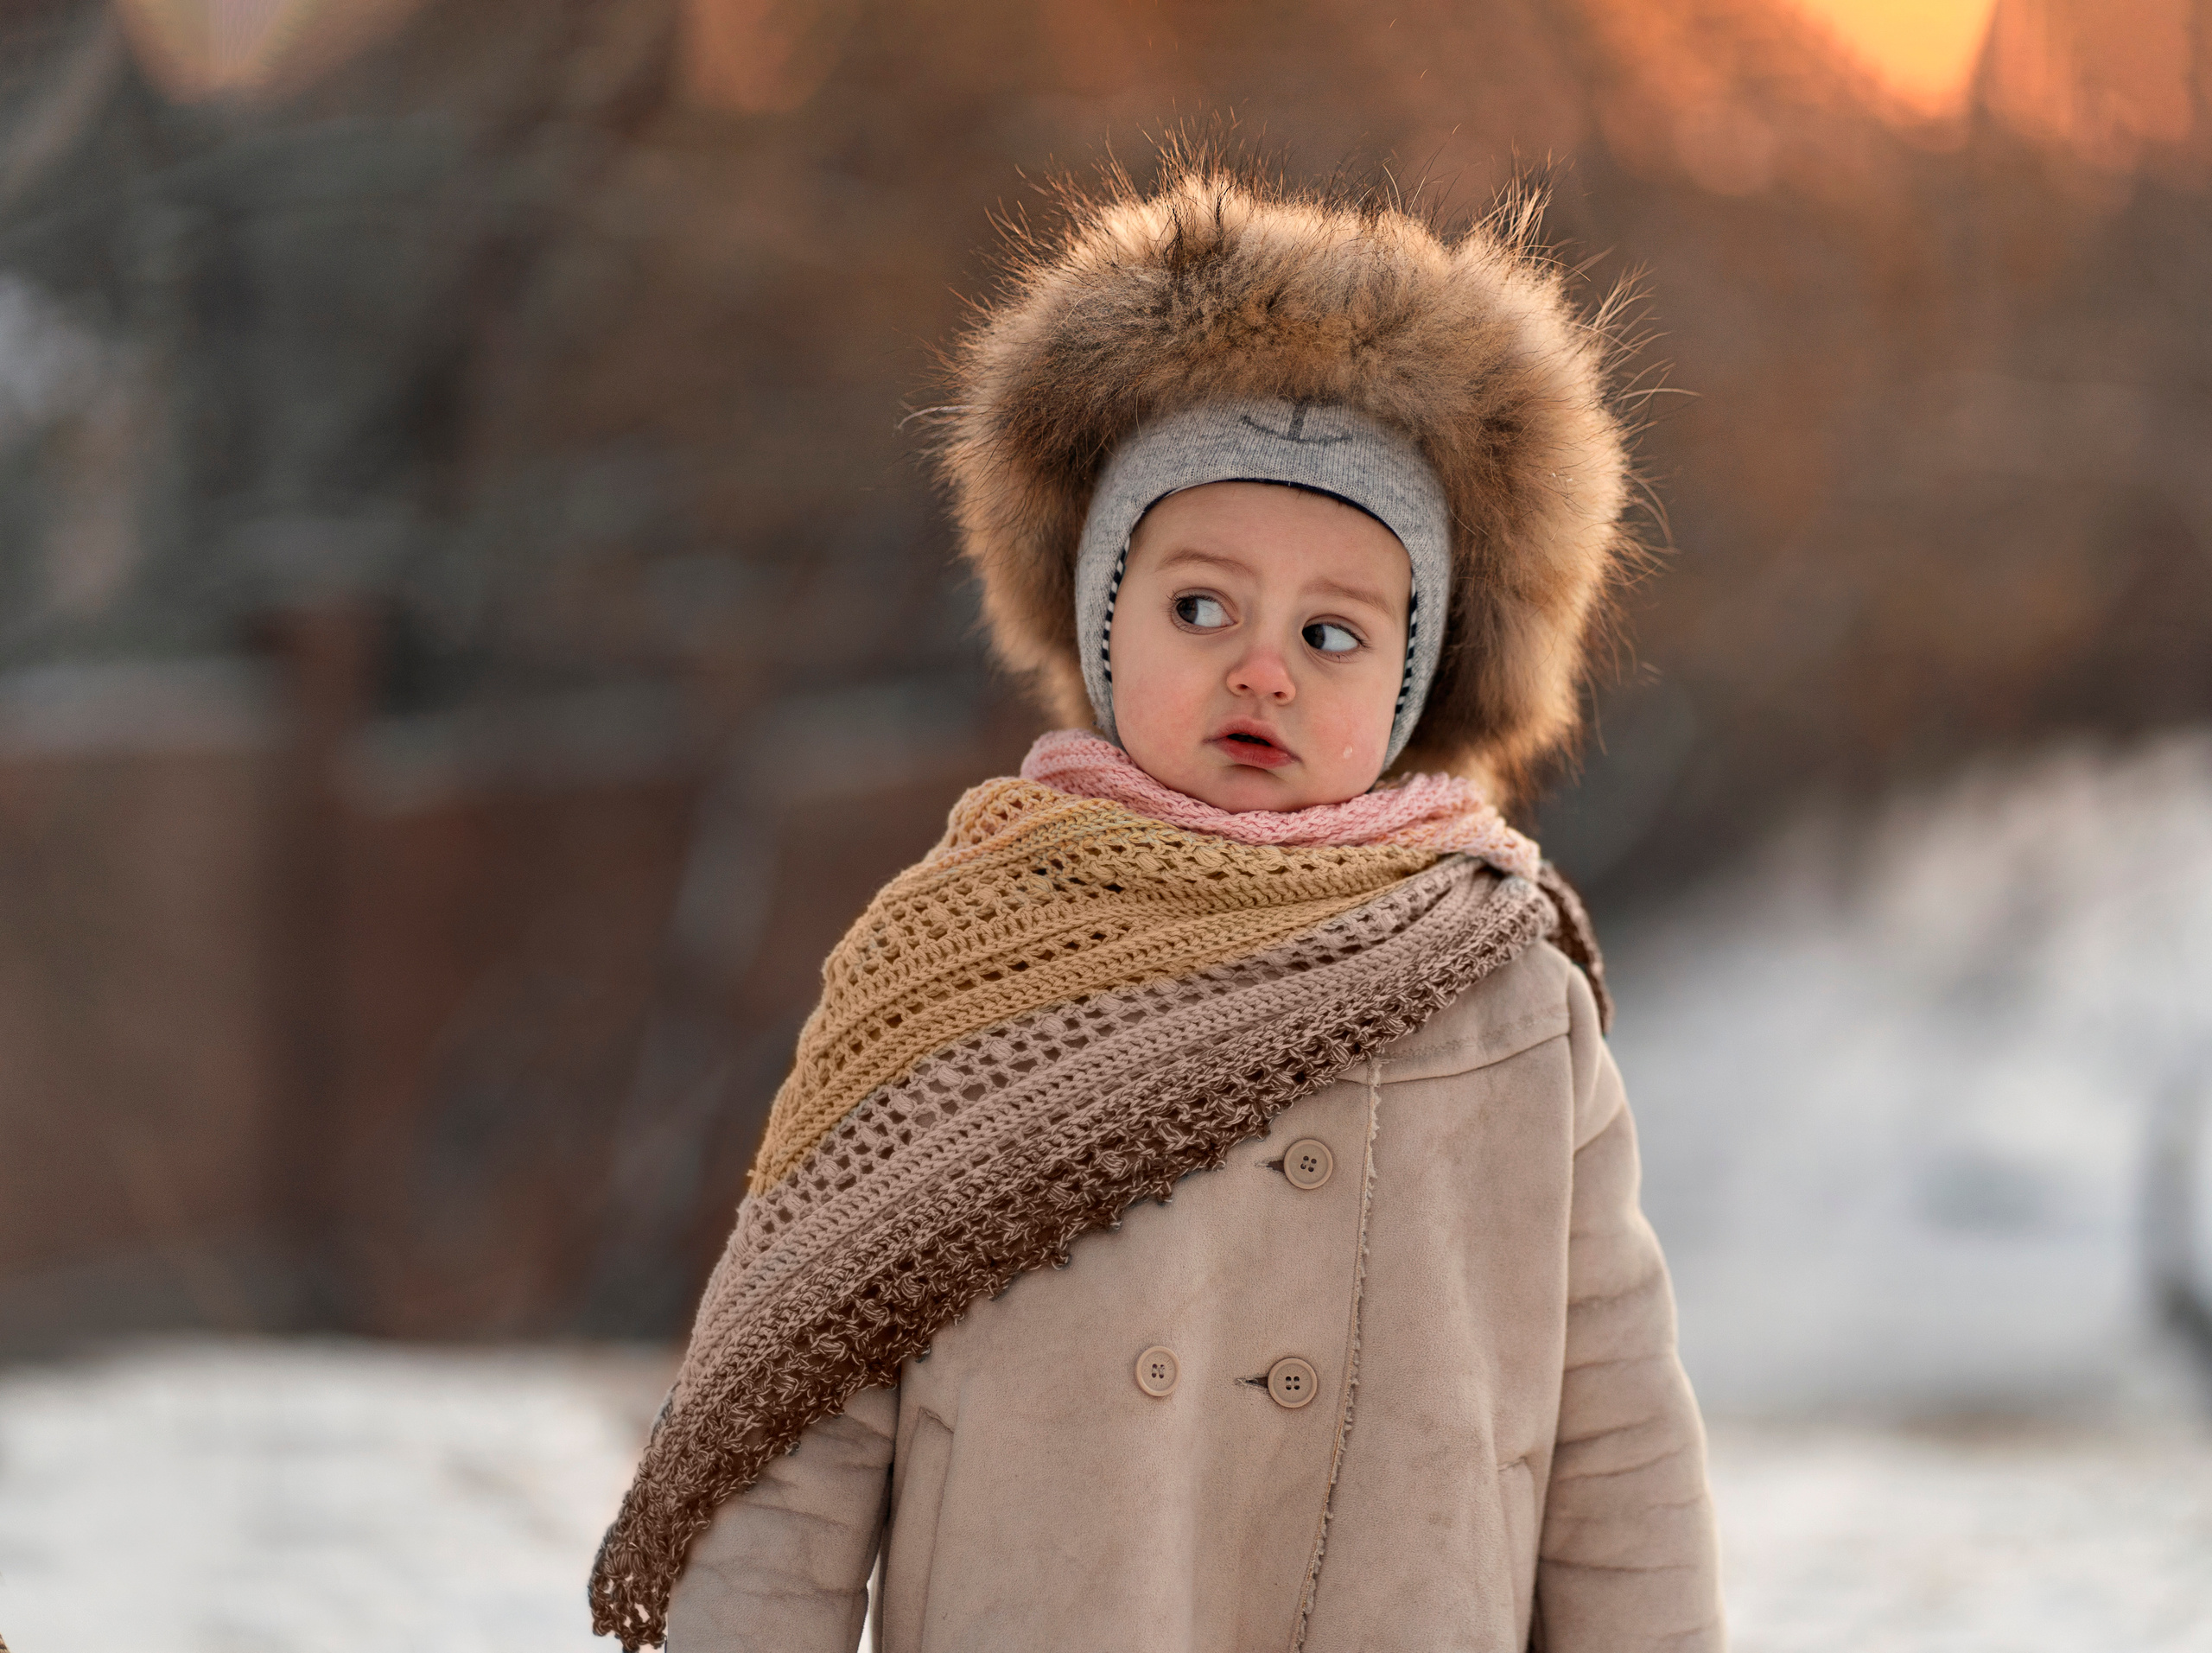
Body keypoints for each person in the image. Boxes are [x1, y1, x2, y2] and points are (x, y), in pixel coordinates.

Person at [590, 157, 1724, 1653]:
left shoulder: (1506, 989)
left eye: (1334, 630)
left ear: (1417, 675)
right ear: (1097, 614)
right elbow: (800, 1416)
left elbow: (1618, 1436)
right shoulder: (962, 966)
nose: (1264, 668)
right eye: (1202, 605)